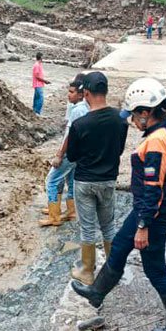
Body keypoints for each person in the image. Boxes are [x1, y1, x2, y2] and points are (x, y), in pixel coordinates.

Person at [71, 78, 166, 331]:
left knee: (155, 269)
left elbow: (152, 188)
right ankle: (97, 292)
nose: (133, 121)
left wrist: (144, 226)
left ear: (146, 112)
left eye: (135, 115)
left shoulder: (156, 142)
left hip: (152, 214)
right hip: (151, 208)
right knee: (120, 247)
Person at [65, 72, 128, 285]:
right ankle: (112, 270)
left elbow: (72, 156)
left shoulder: (80, 124)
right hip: (108, 180)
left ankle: (87, 271)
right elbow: (118, 150)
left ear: (87, 93)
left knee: (88, 228)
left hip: (84, 181)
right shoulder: (120, 120)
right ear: (106, 91)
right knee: (108, 226)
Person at [39, 74, 90, 227]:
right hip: (79, 153)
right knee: (71, 180)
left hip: (70, 152)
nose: (68, 95)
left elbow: (69, 134)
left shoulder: (77, 110)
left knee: (52, 180)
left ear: (81, 94)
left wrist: (59, 154)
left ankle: (54, 217)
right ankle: (71, 211)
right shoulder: (86, 108)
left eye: (71, 92)